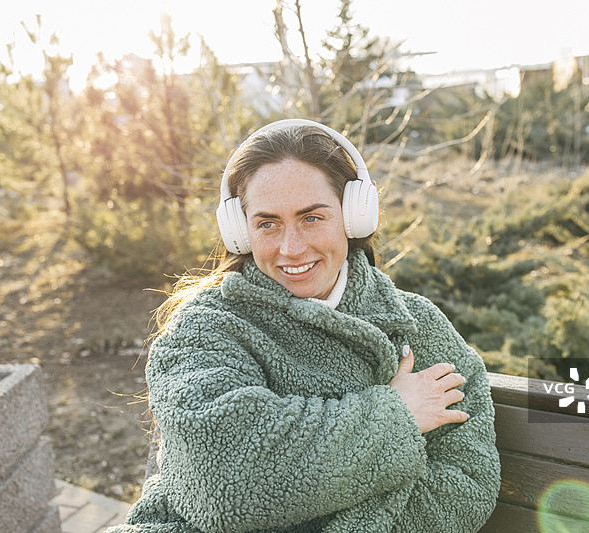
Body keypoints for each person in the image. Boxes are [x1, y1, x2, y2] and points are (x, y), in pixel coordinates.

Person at [107, 119, 500, 533]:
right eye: (267, 223)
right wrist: (396, 415)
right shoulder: (204, 328)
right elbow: (226, 483)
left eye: (311, 218)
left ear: (353, 216)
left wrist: (304, 476)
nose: (291, 248)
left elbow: (466, 487)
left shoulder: (418, 326)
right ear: (241, 231)